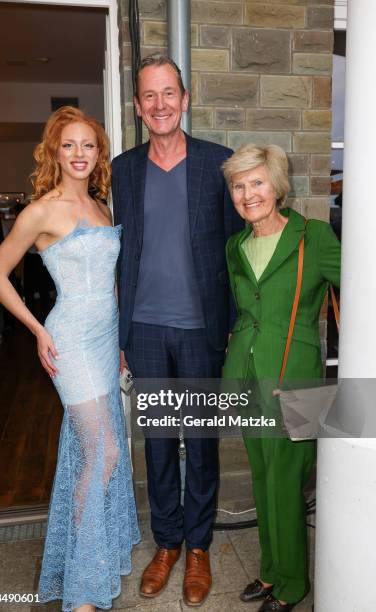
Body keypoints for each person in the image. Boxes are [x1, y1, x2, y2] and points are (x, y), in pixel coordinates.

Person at [0, 106, 140, 612]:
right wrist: (34, 330)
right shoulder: (41, 211)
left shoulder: (103, 208)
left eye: (88, 146)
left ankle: (91, 555)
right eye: (69, 145)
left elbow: (113, 283)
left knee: (96, 452)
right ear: (55, 151)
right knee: (105, 452)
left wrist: (118, 342)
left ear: (99, 155)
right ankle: (81, 589)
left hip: (105, 339)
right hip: (69, 339)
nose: (79, 154)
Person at [112, 54, 242, 607]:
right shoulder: (123, 168)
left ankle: (199, 550)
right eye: (149, 96)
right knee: (160, 444)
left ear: (185, 99)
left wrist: (237, 326)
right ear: (139, 107)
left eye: (169, 93)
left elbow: (237, 249)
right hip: (143, 328)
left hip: (199, 330)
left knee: (203, 444)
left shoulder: (220, 163)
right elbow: (118, 250)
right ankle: (167, 543)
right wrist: (117, 334)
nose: (160, 104)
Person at [222, 144, 341, 611]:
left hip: (297, 374)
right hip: (247, 374)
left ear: (277, 186)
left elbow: (358, 284)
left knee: (288, 481)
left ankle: (293, 585)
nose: (248, 194)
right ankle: (272, 572)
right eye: (238, 185)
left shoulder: (313, 236)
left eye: (257, 182)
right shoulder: (235, 246)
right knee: (264, 478)